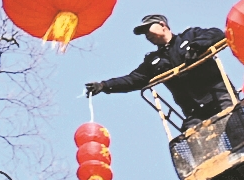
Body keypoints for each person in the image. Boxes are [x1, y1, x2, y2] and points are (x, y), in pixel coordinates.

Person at [85, 14, 232, 122]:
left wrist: (196, 47)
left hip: (218, 95)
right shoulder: (154, 60)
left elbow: (216, 33)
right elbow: (133, 79)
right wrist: (104, 85)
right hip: (194, 110)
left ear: (163, 25)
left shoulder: (190, 36)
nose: (147, 35)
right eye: (144, 34)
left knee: (233, 120)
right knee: (191, 136)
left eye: (148, 29)